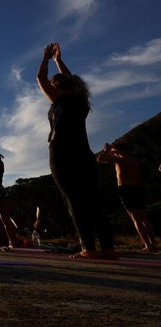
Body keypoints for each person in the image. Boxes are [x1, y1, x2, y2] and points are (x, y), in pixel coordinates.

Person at [37, 42, 116, 259]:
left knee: (75, 201)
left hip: (63, 154)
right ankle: (108, 249)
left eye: (53, 84)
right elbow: (69, 80)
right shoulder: (79, 101)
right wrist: (58, 61)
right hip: (84, 154)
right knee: (92, 201)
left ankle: (88, 248)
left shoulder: (60, 101)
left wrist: (45, 59)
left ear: (57, 86)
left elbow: (40, 79)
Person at [97, 142, 157, 252]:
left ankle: (148, 245)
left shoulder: (120, 160)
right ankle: (153, 244)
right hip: (136, 187)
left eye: (114, 150)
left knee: (135, 218)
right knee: (144, 217)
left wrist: (106, 151)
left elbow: (100, 159)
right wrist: (113, 152)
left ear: (118, 150)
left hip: (125, 189)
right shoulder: (133, 160)